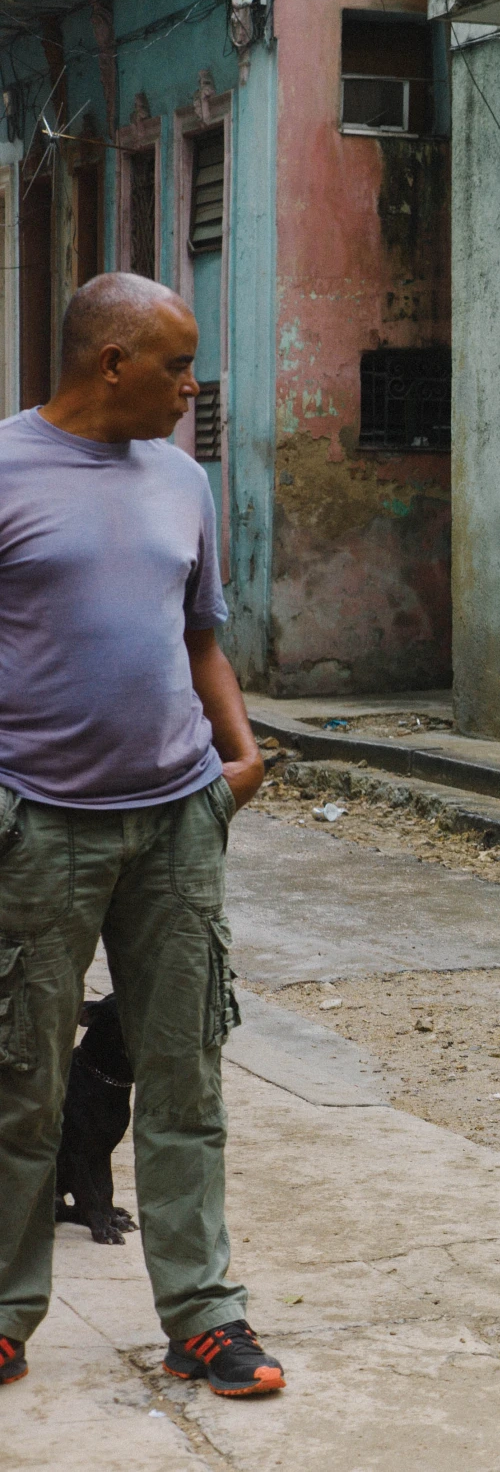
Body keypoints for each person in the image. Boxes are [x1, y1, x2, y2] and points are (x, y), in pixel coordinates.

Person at [0, 274, 282, 1396]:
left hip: (175, 822)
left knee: (185, 1079)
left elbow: (200, 633)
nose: (190, 388)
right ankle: (7, 1313)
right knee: (22, 1076)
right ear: (112, 363)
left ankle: (204, 1319)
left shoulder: (182, 478)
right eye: (177, 365)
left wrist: (240, 756)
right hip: (41, 826)